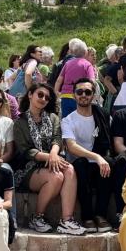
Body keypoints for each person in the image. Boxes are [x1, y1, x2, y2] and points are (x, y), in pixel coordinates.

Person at [13, 82, 83, 235]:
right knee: (56, 177)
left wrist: (53, 155)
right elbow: (25, 151)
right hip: (28, 168)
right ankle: (37, 218)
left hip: (52, 158)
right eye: (40, 94)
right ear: (30, 95)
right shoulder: (20, 123)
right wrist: (50, 157)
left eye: (46, 97)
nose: (43, 98)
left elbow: (57, 139)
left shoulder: (53, 118)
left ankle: (66, 221)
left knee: (69, 169)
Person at [62, 78, 116, 232]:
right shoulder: (68, 120)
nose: (83, 95)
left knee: (109, 163)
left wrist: (101, 159)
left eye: (88, 92)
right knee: (81, 164)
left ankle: (100, 215)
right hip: (80, 164)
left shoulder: (103, 115)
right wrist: (96, 157)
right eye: (79, 92)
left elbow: (110, 140)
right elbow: (71, 147)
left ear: (93, 95)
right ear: (74, 95)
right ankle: (87, 217)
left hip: (99, 164)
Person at [53, 39, 98, 117]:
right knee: (80, 117)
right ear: (85, 52)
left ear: (73, 52)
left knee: (66, 119)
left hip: (65, 96)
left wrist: (56, 91)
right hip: (80, 96)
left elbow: (59, 79)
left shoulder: (67, 63)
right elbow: (92, 81)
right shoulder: (87, 65)